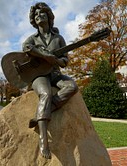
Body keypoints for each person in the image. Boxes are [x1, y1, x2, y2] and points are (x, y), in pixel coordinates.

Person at [22, 2, 78, 159]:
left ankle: (41, 112)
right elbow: (26, 48)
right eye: (36, 15)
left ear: (49, 17)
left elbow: (65, 61)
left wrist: (56, 61)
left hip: (54, 73)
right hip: (38, 76)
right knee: (45, 93)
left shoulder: (58, 38)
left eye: (42, 13)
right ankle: (43, 139)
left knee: (72, 86)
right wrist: (44, 55)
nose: (39, 16)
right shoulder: (32, 39)